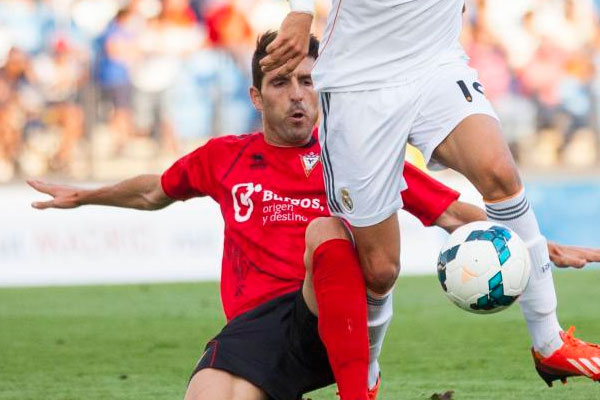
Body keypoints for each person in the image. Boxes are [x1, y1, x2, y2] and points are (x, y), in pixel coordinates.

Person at [29, 33, 600, 399]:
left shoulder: (356, 155)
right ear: (256, 96)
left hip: (331, 318)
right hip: (255, 335)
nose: (298, 95)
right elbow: (157, 190)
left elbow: (453, 212)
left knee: (325, 228)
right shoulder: (225, 158)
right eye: (281, 83)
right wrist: (85, 196)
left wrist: (536, 246)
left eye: (308, 81)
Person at [263, 0, 600, 386]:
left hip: (435, 61)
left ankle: (549, 342)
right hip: (360, 82)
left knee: (499, 172)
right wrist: (302, 11)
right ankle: (364, 380)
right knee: (380, 269)